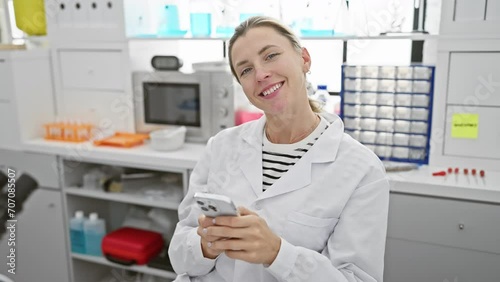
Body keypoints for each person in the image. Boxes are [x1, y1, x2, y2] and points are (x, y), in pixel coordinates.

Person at [168, 16, 390, 282]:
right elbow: (179, 256)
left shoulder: (362, 170)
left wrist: (276, 253)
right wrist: (207, 244)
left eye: (271, 56)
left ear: (304, 59)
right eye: (246, 70)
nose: (261, 74)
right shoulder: (221, 147)